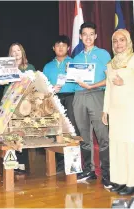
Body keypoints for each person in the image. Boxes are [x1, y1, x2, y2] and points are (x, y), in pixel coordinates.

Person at [103, 29, 134, 195]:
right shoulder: (111, 63)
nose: (118, 44)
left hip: (130, 110)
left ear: (128, 41)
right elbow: (109, 88)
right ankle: (121, 181)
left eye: (122, 40)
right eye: (115, 41)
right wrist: (105, 110)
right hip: (115, 111)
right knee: (117, 146)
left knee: (131, 145)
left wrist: (126, 84)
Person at [71, 22, 112, 188]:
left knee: (102, 134)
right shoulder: (76, 58)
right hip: (79, 96)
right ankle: (89, 170)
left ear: (95, 36)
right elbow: (72, 80)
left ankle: (107, 173)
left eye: (91, 34)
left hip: (97, 95)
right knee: (84, 134)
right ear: (80, 36)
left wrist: (93, 86)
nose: (88, 37)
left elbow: (109, 78)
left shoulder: (103, 54)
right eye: (84, 34)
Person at [43, 35, 80, 172]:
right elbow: (43, 86)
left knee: (71, 129)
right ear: (53, 48)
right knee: (56, 130)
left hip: (71, 98)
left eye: (63, 45)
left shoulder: (74, 63)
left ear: (68, 48)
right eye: (57, 45)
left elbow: (81, 81)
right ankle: (59, 163)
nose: (60, 48)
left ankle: (73, 163)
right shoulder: (48, 66)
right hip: (54, 99)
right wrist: (50, 88)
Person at [7, 42, 36, 174]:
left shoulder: (30, 67)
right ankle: (11, 164)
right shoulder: (7, 68)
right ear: (10, 54)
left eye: (18, 50)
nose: (16, 53)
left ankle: (23, 164)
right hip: (9, 103)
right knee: (10, 134)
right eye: (13, 51)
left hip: (24, 105)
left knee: (21, 134)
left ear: (22, 52)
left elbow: (34, 86)